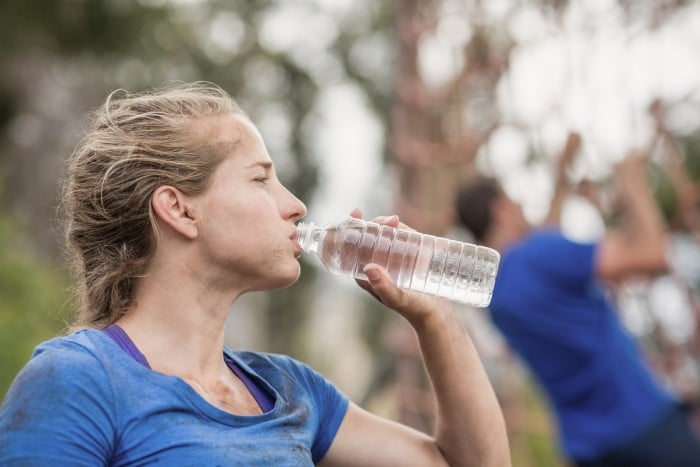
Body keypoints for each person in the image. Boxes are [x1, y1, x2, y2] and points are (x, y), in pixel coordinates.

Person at [0, 82, 510, 466]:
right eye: (261, 179)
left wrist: (433, 315)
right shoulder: (79, 382)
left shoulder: (289, 389)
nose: (295, 205)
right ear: (180, 210)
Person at [455, 137, 700, 467]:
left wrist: (561, 175)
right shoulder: (543, 253)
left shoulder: (492, 299)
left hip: (588, 451)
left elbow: (542, 256)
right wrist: (633, 184)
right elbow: (654, 255)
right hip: (646, 428)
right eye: (513, 201)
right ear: (501, 210)